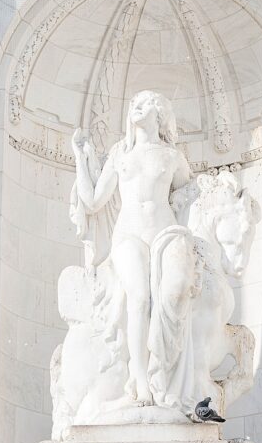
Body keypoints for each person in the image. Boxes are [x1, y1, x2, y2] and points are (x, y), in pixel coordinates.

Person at [70, 90, 194, 411]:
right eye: (133, 103)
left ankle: (163, 376)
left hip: (164, 234)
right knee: (139, 298)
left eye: (144, 103)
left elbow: (190, 195)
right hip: (128, 235)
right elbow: (95, 200)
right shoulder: (119, 154)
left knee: (169, 297)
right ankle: (139, 377)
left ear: (159, 113)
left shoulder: (172, 156)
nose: (135, 107)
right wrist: (80, 160)